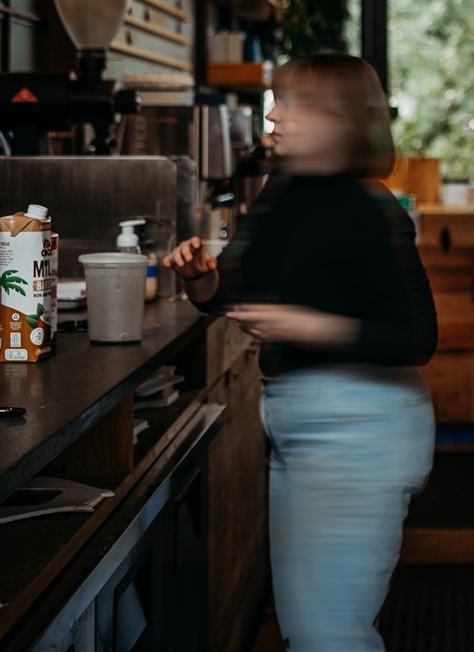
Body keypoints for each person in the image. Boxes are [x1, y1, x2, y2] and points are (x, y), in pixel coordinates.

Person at [162, 55, 438, 652]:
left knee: (328, 634)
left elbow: (417, 337)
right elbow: (229, 290)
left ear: (340, 122)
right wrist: (200, 278)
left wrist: (307, 325)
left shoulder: (372, 210)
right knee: (309, 631)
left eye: (292, 105)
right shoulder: (283, 195)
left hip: (361, 432)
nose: (274, 116)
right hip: (302, 430)